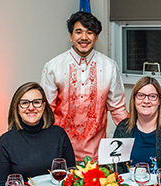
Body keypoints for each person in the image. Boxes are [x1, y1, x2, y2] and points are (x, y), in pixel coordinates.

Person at [41, 11, 128, 161]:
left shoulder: (109, 66)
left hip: (98, 153)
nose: (84, 37)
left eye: (90, 32)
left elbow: (118, 109)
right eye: (78, 32)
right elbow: (47, 109)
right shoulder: (53, 66)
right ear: (70, 36)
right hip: (60, 151)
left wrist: (133, 139)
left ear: (96, 37)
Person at [0, 82, 76, 184]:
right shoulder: (5, 142)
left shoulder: (59, 134)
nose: (31, 107)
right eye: (24, 103)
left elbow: (72, 176)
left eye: (36, 102)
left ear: (43, 106)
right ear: (17, 108)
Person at [113, 77, 161, 181]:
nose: (146, 101)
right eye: (141, 95)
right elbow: (115, 165)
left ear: (159, 101)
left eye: (152, 96)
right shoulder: (123, 128)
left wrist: (160, 182)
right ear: (134, 99)